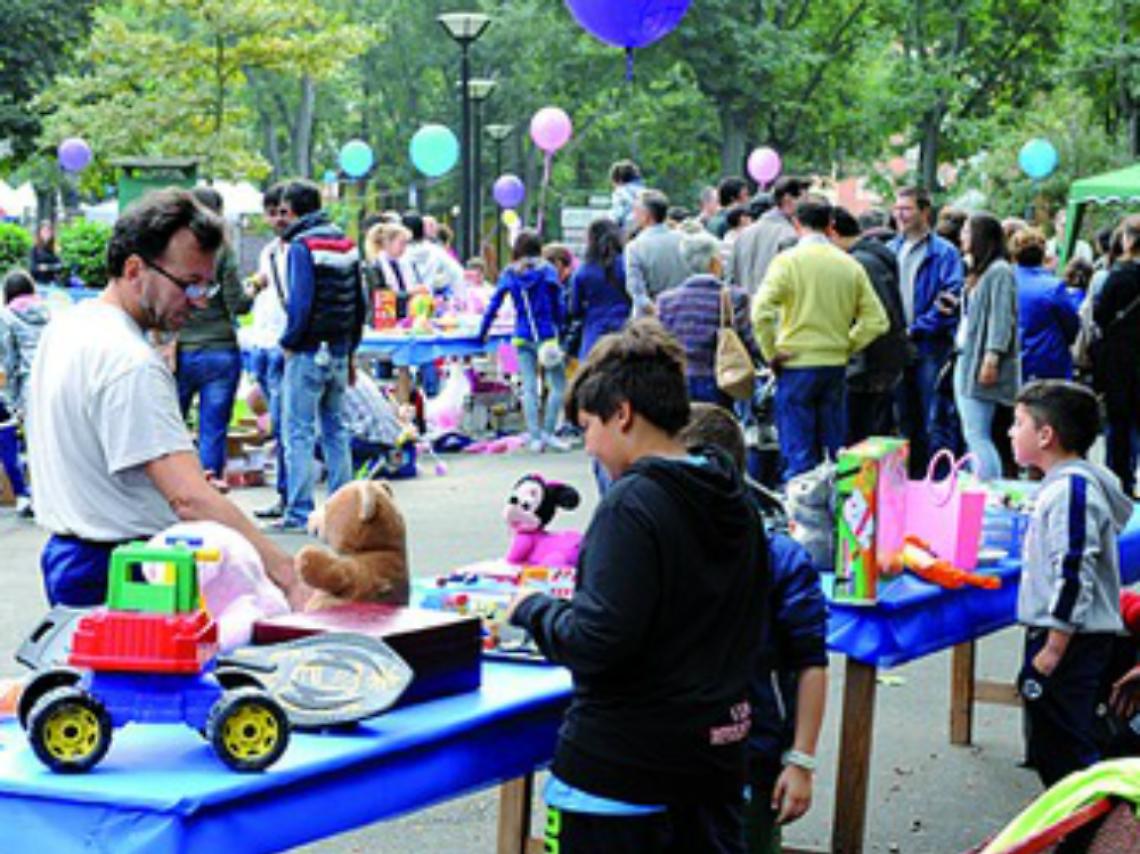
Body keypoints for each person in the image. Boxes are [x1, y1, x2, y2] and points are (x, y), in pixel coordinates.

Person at [507, 319, 766, 853]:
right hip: (714, 764)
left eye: (588, 427)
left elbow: (598, 639)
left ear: (622, 413)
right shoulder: (732, 497)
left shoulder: (632, 505)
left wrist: (533, 610)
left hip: (622, 776)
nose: (589, 447)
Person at [25, 188, 309, 609]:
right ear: (135, 269)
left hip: (72, 555)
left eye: (206, 288)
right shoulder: (131, 361)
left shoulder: (67, 329)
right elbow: (189, 498)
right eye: (189, 284)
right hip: (124, 569)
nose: (196, 302)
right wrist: (288, 577)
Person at [678, 403, 827, 854]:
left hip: (753, 758)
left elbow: (811, 664)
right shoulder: (660, 544)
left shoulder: (779, 557)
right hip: (673, 759)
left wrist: (800, 761)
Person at [1009, 380, 1131, 788]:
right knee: (1054, 740)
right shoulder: (1064, 485)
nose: (1011, 432)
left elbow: (1074, 569)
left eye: (1018, 423)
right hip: (1065, 636)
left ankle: (1087, 832)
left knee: (1066, 747)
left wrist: (1054, 646)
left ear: (1046, 435)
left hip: (1071, 640)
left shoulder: (1071, 491)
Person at [752, 196, 889, 479]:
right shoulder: (849, 265)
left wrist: (771, 353)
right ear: (830, 225)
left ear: (796, 224)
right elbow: (877, 321)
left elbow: (760, 312)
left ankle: (801, 517)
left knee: (798, 453)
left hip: (795, 364)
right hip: (835, 366)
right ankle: (835, 515)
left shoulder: (787, 262)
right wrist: (846, 345)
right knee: (833, 451)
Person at [276, 179, 367, 531]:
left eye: (284, 210)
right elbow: (359, 301)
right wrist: (351, 347)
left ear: (296, 210)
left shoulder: (302, 246)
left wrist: (289, 340)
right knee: (335, 428)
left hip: (309, 350)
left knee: (297, 430)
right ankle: (342, 507)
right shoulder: (347, 244)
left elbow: (301, 301)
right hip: (340, 348)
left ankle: (299, 510)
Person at [174, 187, 252, 484]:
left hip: (181, 348)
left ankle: (174, 490)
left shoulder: (176, 249)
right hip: (220, 348)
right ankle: (209, 493)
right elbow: (237, 303)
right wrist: (254, 290)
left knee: (171, 427)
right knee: (213, 430)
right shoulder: (223, 251)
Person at [888, 186, 964, 477]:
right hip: (898, 347)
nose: (900, 215)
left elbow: (950, 299)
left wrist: (917, 329)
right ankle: (911, 476)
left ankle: (939, 479)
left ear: (924, 212)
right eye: (897, 209)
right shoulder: (891, 249)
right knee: (904, 417)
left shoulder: (944, 253)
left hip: (930, 346)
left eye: (906, 209)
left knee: (934, 417)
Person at [477, 230, 569, 453]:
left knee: (528, 387)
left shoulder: (510, 273)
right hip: (547, 335)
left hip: (521, 335)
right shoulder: (547, 270)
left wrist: (483, 331)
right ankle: (549, 432)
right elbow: (558, 303)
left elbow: (494, 304)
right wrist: (563, 328)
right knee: (557, 385)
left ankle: (534, 437)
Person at [657, 220, 760, 406]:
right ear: (714, 263)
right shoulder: (734, 297)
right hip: (719, 380)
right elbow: (748, 341)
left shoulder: (666, 301)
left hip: (678, 381)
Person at [830, 207, 907, 442]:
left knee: (861, 436)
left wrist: (852, 355)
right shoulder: (877, 257)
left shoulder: (859, 263)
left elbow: (876, 317)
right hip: (882, 362)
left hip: (867, 367)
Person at [953, 213, 1019, 482]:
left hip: (979, 360)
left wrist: (992, 357)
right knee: (973, 432)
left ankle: (987, 488)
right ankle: (980, 483)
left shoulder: (999, 271)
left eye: (967, 232)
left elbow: (1002, 318)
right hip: (967, 356)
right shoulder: (980, 271)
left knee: (977, 434)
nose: (962, 237)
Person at [246, 184, 294, 520]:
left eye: (283, 212)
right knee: (277, 426)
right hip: (261, 342)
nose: (277, 218)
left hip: (283, 344)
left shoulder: (300, 251)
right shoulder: (268, 252)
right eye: (272, 212)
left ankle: (290, 496)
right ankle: (285, 495)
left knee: (288, 427)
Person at [1091, 214, 1140, 495]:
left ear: (1128, 240)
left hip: (1118, 358)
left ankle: (1119, 478)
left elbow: (1100, 315)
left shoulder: (1117, 276)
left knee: (1119, 422)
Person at [1010, 227, 1079, 382]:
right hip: (1046, 362)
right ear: (1043, 254)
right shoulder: (1054, 287)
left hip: (1010, 362)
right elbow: (1071, 324)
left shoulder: (1004, 281)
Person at [567, 218, 631, 361]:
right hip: (626, 328)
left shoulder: (583, 271)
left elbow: (575, 308)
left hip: (594, 330)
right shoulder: (628, 265)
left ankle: (511, 371)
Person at [732, 177, 808, 295]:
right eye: (803, 201)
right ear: (787, 200)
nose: (806, 207)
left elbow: (731, 279)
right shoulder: (789, 236)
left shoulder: (743, 234)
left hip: (745, 309)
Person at [624, 189, 690, 316]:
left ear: (646, 216)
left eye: (635, 211)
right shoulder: (686, 240)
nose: (633, 216)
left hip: (651, 322)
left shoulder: (635, 247)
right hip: (684, 314)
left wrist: (659, 313)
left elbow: (637, 293)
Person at [607, 159, 644, 235]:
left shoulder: (620, 193)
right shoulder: (645, 191)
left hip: (628, 233)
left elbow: (617, 217)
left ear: (619, 180)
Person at [29, 222, 63, 286]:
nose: (46, 233)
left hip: (53, 282)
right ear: (40, 233)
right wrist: (50, 267)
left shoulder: (56, 248)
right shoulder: (35, 249)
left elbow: (60, 266)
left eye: (48, 231)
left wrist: (46, 267)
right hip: (38, 282)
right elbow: (32, 267)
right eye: (44, 231)